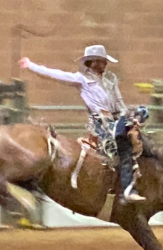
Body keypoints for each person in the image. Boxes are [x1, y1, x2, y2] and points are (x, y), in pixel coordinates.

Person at [19, 44, 148, 203]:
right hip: (101, 124)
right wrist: (31, 66)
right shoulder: (82, 79)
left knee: (141, 116)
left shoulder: (110, 80)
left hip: (116, 120)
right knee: (124, 146)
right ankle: (127, 189)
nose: (105, 64)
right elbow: (56, 75)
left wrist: (130, 117)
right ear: (93, 63)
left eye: (105, 61)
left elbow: (119, 103)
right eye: (102, 61)